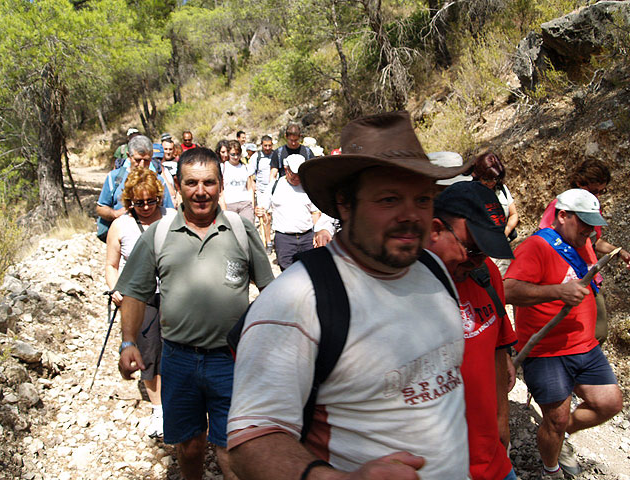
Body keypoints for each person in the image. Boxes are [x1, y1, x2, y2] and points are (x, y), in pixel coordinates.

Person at [228, 110, 473, 479]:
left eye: (423, 200)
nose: (412, 215)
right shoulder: (297, 300)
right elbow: (253, 442)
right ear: (345, 203)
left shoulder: (434, 269)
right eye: (389, 200)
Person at [116, 147, 274, 480]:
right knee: (188, 445)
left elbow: (270, 292)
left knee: (232, 447)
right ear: (177, 185)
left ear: (220, 185)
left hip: (231, 360)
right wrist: (128, 341)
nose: (200, 192)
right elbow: (134, 293)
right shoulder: (158, 235)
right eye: (191, 183)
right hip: (179, 359)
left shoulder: (241, 230)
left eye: (208, 183)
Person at [504, 188, 623, 478]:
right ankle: (551, 469)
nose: (589, 229)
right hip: (546, 351)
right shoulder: (536, 247)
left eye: (592, 223)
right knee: (555, 418)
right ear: (562, 215)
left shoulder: (583, 241)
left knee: (609, 403)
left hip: (585, 346)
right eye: (583, 221)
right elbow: (507, 290)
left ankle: (558, 432)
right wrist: (558, 292)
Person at [427, 181, 518, 480]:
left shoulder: (485, 274)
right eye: (473, 249)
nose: (478, 261)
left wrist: (502, 419)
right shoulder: (402, 290)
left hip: (492, 461)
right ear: (435, 229)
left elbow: (497, 349)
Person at [105, 168, 174, 439]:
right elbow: (111, 264)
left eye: (151, 201)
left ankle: (178, 401)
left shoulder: (172, 219)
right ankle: (158, 410)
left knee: (175, 349)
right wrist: (114, 289)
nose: (145, 207)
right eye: (138, 202)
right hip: (139, 299)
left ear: (159, 197)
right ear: (129, 201)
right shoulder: (120, 225)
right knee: (147, 353)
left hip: (173, 294)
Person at [539, 159, 630, 344]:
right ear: (580, 183)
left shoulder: (593, 207)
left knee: (598, 332)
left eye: (601, 191)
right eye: (594, 190)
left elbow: (593, 241)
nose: (598, 195)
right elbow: (546, 238)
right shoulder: (560, 205)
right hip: (568, 278)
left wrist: (618, 251)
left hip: (590, 276)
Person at [96, 135, 174, 241]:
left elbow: (169, 212)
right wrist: (116, 214)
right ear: (129, 156)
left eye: (146, 160)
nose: (142, 165)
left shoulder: (158, 181)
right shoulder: (114, 178)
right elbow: (101, 207)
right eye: (137, 160)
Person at [256, 154, 319, 270]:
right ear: (286, 169)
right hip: (284, 240)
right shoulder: (274, 186)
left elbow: (315, 212)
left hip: (307, 238)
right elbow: (263, 209)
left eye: (299, 175)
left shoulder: (308, 186)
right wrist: (259, 211)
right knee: (286, 273)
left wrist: (317, 233)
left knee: (311, 271)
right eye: (293, 174)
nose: (296, 178)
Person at [248, 135, 275, 251]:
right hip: (262, 191)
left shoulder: (276, 155)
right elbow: (249, 173)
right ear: (261, 145)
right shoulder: (256, 157)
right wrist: (252, 184)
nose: (268, 148)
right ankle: (268, 242)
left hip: (275, 189)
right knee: (265, 216)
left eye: (270, 145)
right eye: (265, 145)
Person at [222, 140, 255, 222]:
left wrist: (252, 205)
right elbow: (221, 190)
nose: (236, 157)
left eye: (238, 154)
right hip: (229, 204)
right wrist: (223, 209)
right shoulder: (223, 167)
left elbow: (250, 188)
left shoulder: (246, 167)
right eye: (233, 154)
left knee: (248, 229)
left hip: (245, 203)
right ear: (228, 153)